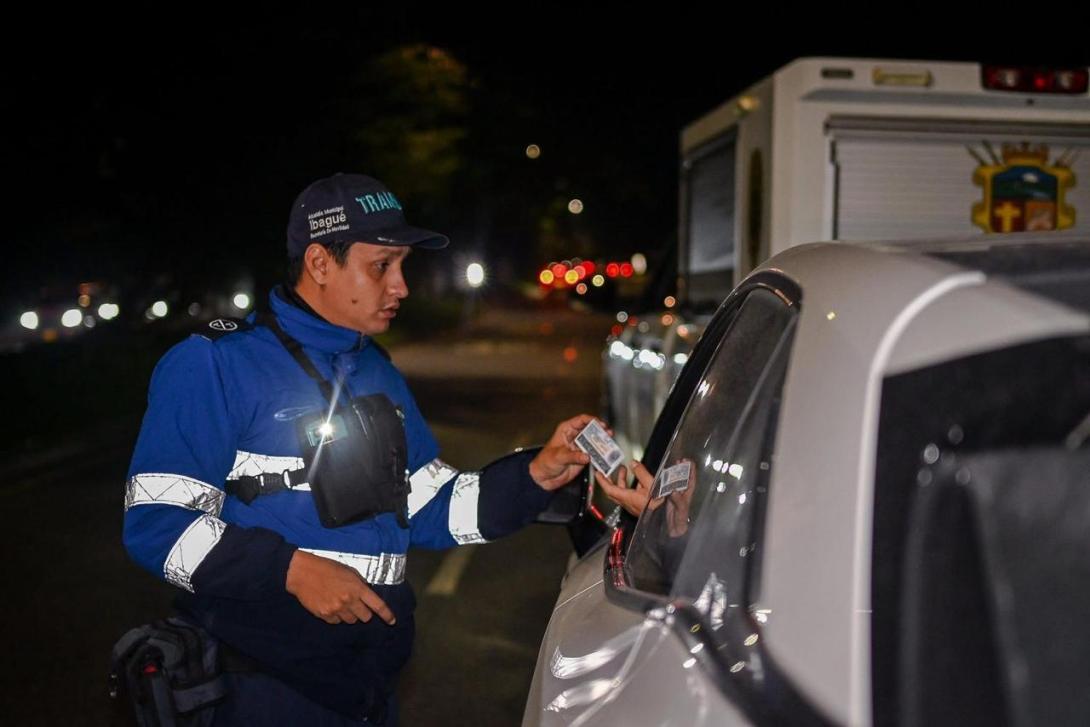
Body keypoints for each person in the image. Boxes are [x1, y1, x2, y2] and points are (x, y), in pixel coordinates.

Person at [122, 173, 595, 725]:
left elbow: (429, 504)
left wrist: (535, 474)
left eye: (402, 266)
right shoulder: (215, 363)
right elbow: (157, 523)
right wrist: (291, 570)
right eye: (381, 266)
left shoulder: (376, 367)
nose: (401, 287)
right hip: (263, 683)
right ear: (320, 263)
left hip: (365, 681)